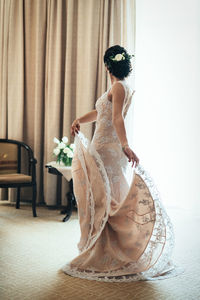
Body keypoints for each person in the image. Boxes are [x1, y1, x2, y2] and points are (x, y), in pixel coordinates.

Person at [62, 45, 179, 282]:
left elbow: (116, 118)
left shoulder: (118, 87)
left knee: (106, 200)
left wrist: (126, 146)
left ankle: (112, 253)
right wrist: (78, 120)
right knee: (105, 198)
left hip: (108, 150)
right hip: (104, 148)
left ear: (107, 66)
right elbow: (100, 113)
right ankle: (105, 249)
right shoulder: (120, 87)